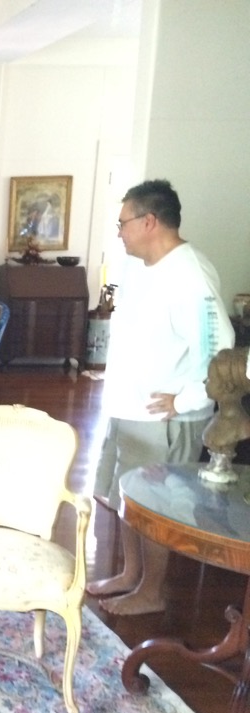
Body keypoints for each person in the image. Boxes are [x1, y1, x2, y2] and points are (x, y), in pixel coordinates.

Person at [87, 179, 234, 615]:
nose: (119, 231)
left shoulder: (190, 275)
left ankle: (152, 593)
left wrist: (184, 401)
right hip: (129, 410)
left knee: (157, 509)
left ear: (149, 221)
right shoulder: (140, 266)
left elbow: (220, 350)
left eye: (123, 223)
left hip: (163, 420)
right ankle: (130, 575)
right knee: (127, 500)